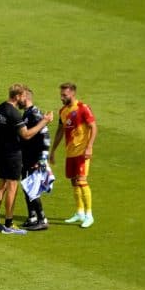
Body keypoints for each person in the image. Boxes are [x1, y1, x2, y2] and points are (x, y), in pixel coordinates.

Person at [0, 84, 53, 234]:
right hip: (13, 155)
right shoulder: (14, 113)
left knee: (1, 186)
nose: (25, 98)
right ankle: (8, 225)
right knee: (11, 188)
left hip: (1, 153)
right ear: (17, 97)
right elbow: (26, 135)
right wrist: (45, 121)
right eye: (23, 96)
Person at [50, 82, 98, 228]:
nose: (61, 97)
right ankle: (80, 212)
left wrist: (89, 147)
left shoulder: (83, 108)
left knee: (82, 181)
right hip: (70, 152)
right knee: (73, 182)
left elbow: (94, 127)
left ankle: (89, 215)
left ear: (72, 94)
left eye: (64, 95)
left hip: (82, 152)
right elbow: (60, 131)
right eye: (61, 95)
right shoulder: (63, 111)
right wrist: (53, 151)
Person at [20, 88, 51, 230]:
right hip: (26, 157)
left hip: (35, 158)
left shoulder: (34, 113)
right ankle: (32, 216)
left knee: (32, 188)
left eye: (19, 97)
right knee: (26, 186)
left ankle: (42, 219)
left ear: (25, 97)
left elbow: (45, 135)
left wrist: (43, 158)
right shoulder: (27, 113)